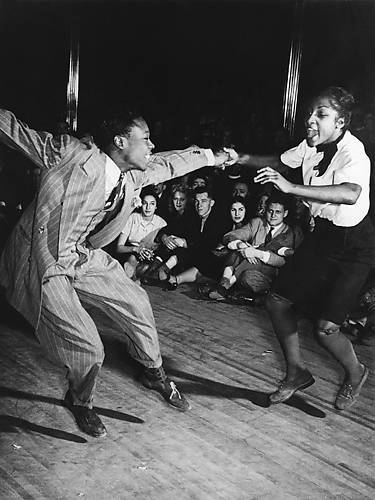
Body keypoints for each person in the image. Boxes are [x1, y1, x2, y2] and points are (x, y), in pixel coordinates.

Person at [0, 107, 237, 437]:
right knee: (89, 347)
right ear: (120, 141)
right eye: (146, 139)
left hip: (80, 252)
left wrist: (213, 156)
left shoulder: (131, 175)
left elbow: (169, 162)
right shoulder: (72, 154)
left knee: (135, 299)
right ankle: (80, 401)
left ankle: (152, 371)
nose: (152, 145)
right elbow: (15, 130)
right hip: (42, 260)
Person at [239, 87, 374, 410]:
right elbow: (280, 161)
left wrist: (290, 187)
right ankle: (296, 371)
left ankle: (356, 372)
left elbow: (350, 192)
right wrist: (240, 158)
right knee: (277, 301)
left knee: (326, 330)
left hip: (356, 245)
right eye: (310, 113)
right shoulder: (309, 146)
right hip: (324, 236)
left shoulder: (354, 153)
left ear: (341, 122)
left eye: (321, 115)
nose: (310, 120)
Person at [207, 193, 303, 301]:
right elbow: (230, 236)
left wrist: (256, 253)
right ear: (266, 210)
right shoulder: (257, 223)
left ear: (285, 213)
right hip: (247, 267)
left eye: (278, 212)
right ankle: (226, 285)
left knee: (248, 274)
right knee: (237, 252)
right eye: (270, 211)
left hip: (268, 274)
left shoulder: (289, 232)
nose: (273, 215)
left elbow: (282, 261)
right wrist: (242, 246)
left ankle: (224, 286)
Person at [115, 187, 166, 280]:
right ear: (140, 204)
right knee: (131, 259)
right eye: (145, 203)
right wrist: (135, 249)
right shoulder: (133, 218)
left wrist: (148, 252)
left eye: (152, 204)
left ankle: (135, 275)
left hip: (150, 256)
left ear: (156, 206)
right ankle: (131, 275)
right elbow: (119, 247)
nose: (148, 207)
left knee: (149, 267)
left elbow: (160, 246)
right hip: (130, 251)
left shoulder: (161, 223)